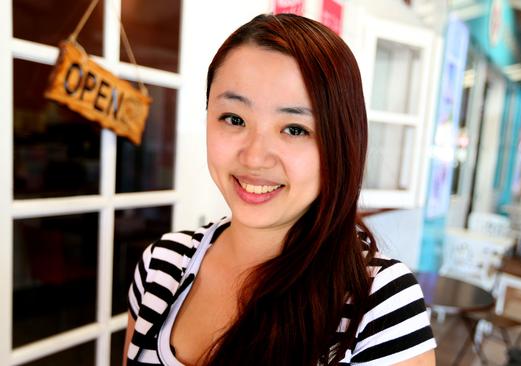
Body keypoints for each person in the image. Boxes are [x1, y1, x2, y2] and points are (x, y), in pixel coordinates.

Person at [123, 13, 436, 366]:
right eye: (234, 119)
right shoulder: (160, 266)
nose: (255, 157)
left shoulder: (379, 303)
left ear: (341, 144)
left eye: (295, 129)